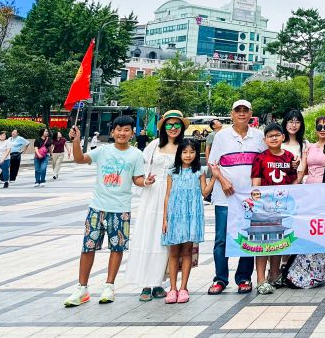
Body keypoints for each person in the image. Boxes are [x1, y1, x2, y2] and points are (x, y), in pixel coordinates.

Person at [64, 117, 150, 307]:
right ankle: (82, 288)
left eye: (126, 130)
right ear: (112, 132)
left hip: (120, 209)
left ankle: (109, 286)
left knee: (117, 248)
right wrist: (76, 141)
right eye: (118, 129)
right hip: (97, 207)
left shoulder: (136, 155)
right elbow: (79, 159)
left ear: (132, 133)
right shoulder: (103, 151)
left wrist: (145, 182)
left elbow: (137, 178)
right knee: (88, 247)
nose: (122, 133)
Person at [128, 110, 187, 302]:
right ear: (163, 127)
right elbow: (140, 170)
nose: (173, 128)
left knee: (167, 239)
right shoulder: (154, 146)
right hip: (153, 195)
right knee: (149, 236)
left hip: (175, 195)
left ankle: (160, 281)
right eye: (169, 124)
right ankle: (146, 283)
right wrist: (145, 180)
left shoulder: (184, 147)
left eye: (176, 124)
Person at [207, 99, 265, 295]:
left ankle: (243, 278)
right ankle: (220, 279)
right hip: (225, 197)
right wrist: (223, 181)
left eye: (245, 110)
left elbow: (266, 161)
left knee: (247, 237)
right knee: (221, 239)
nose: (241, 113)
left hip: (249, 199)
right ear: (231, 114)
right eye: (237, 110)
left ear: (250, 114)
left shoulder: (258, 136)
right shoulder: (221, 136)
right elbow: (213, 164)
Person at [280, 116, 325, 289]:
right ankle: (303, 271)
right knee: (309, 231)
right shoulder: (309, 147)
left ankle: (320, 270)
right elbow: (302, 170)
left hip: (324, 191)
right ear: (315, 129)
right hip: (308, 192)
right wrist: (294, 186)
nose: (323, 129)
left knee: (324, 232)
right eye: (319, 127)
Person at [161, 138, 214, 304]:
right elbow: (167, 195)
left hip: (192, 215)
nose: (188, 155)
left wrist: (215, 177)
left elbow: (205, 192)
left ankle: (183, 287)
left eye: (192, 152)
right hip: (175, 216)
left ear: (196, 154)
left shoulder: (199, 172)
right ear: (179, 153)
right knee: (173, 252)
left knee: (187, 251)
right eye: (185, 152)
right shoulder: (172, 172)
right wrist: (165, 219)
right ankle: (172, 288)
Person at [251, 122, 298, 294]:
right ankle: (260, 279)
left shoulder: (289, 157)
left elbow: (293, 179)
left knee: (278, 241)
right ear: (265, 139)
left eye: (277, 135)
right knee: (262, 242)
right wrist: (258, 203)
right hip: (264, 207)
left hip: (283, 206)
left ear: (283, 137)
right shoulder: (260, 158)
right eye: (270, 136)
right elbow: (255, 182)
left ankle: (274, 274)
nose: (274, 138)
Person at [281, 111, 306, 178]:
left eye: (297, 122)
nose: (294, 125)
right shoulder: (278, 144)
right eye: (291, 122)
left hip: (298, 181)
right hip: (281, 181)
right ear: (285, 123)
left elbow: (303, 169)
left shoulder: (304, 145)